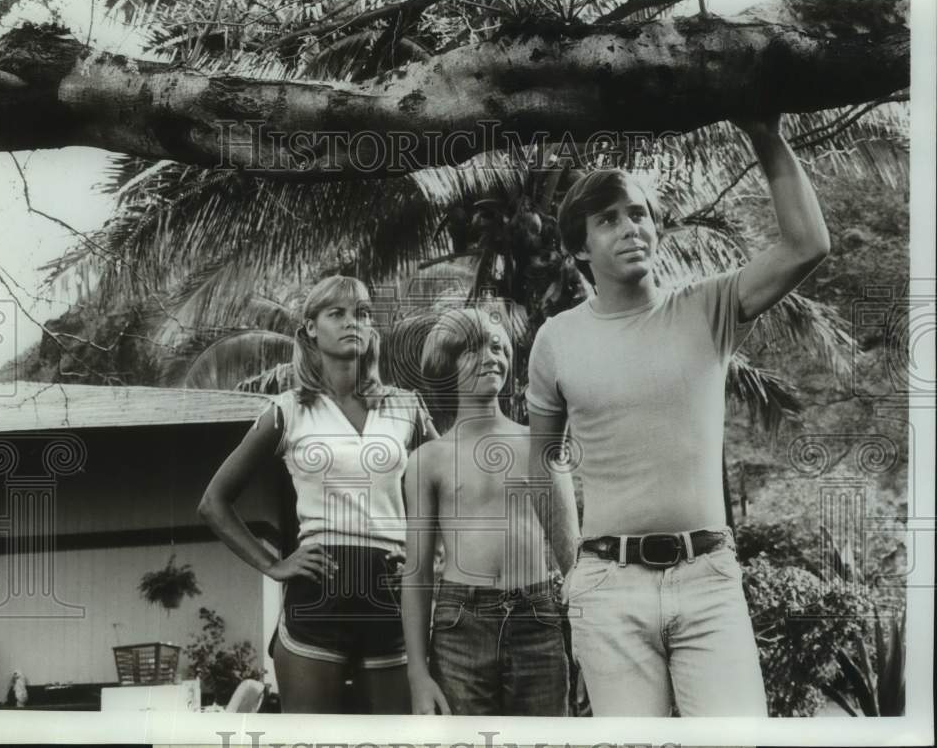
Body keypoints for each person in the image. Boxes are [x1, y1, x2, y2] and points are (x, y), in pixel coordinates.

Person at [526, 114, 830, 716]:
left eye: (638, 213)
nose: (629, 227)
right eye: (607, 219)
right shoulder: (555, 340)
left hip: (708, 581)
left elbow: (807, 246)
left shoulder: (708, 306)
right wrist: (574, 574)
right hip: (608, 587)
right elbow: (543, 460)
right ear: (581, 247)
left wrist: (764, 132)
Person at [198, 275, 437, 714]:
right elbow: (214, 502)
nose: (353, 323)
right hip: (318, 595)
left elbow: (449, 491)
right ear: (311, 327)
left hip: (390, 593)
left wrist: (430, 560)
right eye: (337, 313)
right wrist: (273, 564)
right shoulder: (288, 410)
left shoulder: (406, 407)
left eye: (362, 314)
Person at [402, 307, 568, 716]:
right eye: (472, 349)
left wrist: (587, 636)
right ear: (444, 363)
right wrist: (418, 675)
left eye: (498, 346)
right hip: (460, 626)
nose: (490, 356)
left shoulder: (539, 443)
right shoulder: (429, 460)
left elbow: (573, 553)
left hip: (539, 617)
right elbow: (417, 571)